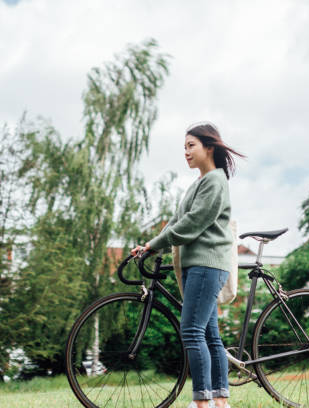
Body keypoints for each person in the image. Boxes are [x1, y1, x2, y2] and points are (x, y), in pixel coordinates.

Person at [131, 122, 245, 408]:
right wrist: (150, 244)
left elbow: (192, 224)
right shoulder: (201, 183)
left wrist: (155, 243)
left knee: (192, 331)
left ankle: (202, 402)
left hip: (208, 265)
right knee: (209, 334)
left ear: (209, 147)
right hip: (201, 265)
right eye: (184, 147)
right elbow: (177, 221)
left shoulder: (215, 181)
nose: (186, 152)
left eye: (191, 145)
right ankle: (219, 401)